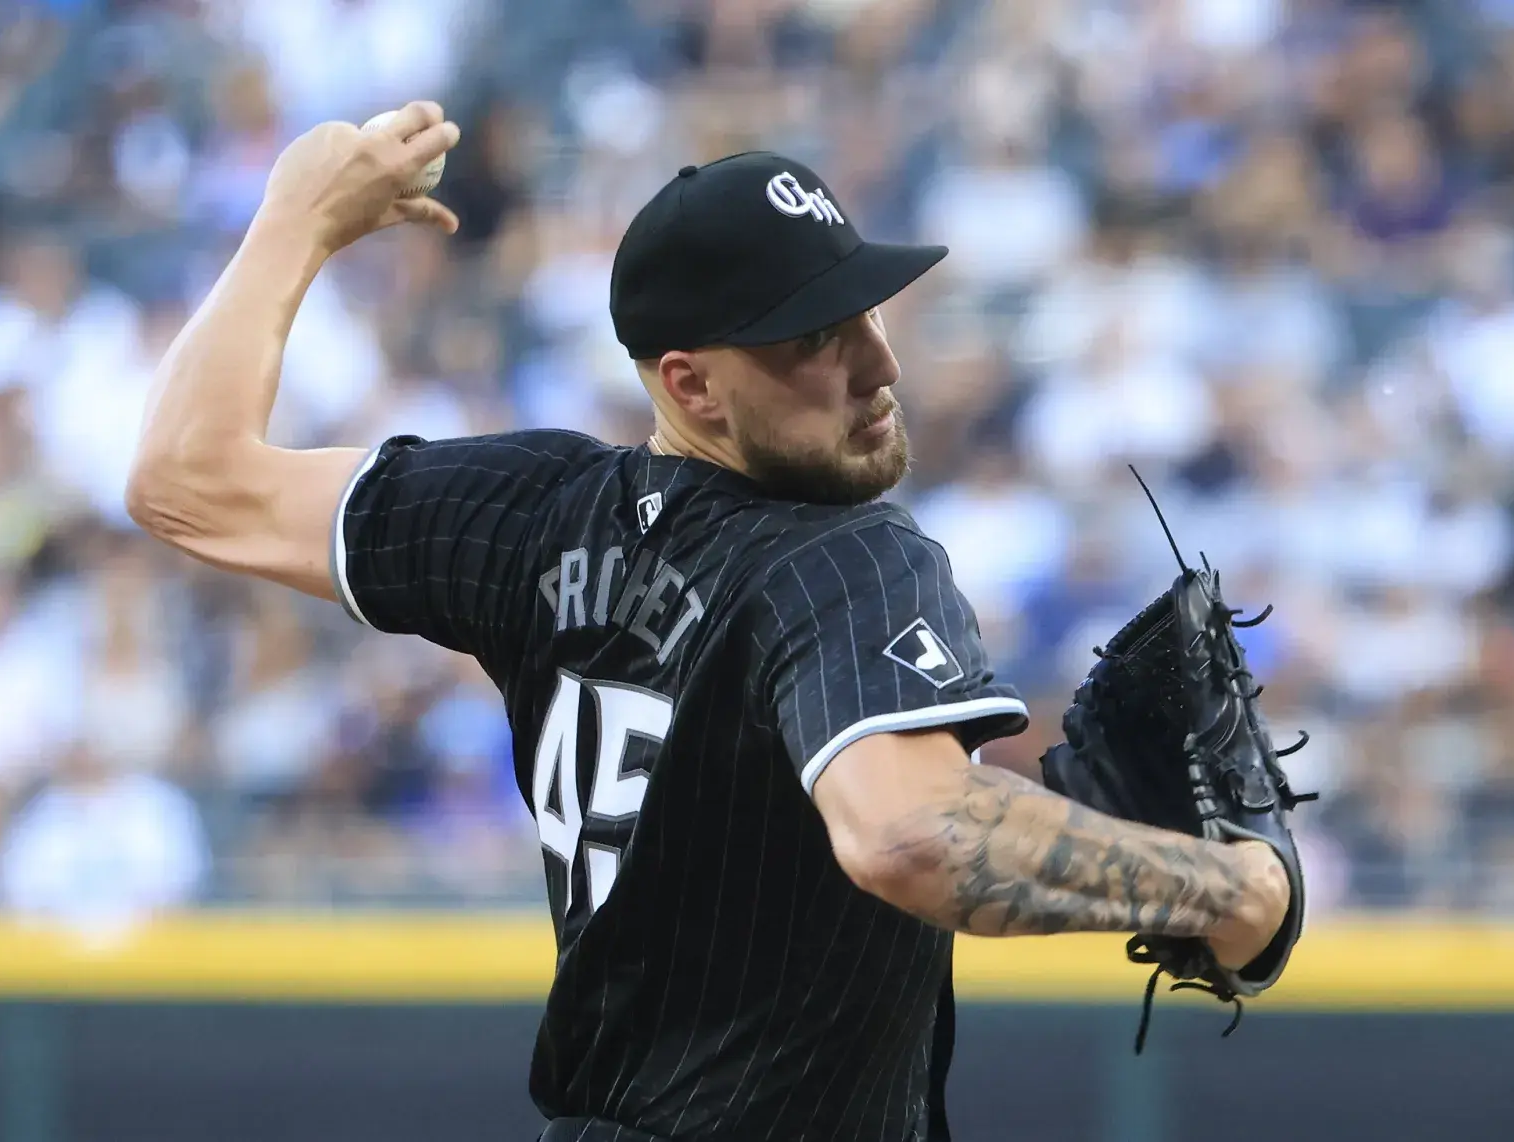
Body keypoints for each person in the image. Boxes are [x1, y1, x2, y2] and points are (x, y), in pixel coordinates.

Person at [126, 101, 1291, 1142]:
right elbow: (910, 834)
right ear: (689, 384)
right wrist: (1228, 891)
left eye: (867, 309)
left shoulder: (531, 513)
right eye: (813, 337)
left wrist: (295, 222)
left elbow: (186, 477)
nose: (877, 362)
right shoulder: (845, 560)